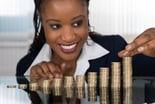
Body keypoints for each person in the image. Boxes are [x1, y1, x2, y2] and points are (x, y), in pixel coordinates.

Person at [16, 0, 155, 79]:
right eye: (55, 26)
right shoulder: (26, 67)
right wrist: (38, 93)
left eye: (77, 23)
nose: (68, 37)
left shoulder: (115, 49)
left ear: (87, 14)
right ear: (41, 18)